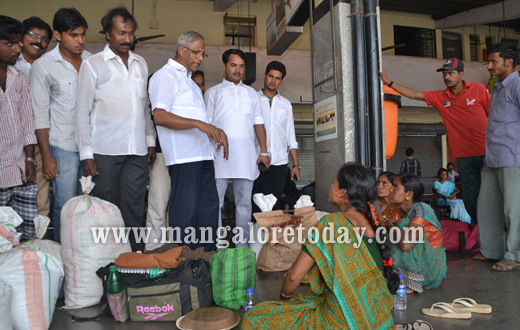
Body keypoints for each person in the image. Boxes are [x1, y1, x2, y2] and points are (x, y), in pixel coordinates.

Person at [243, 163, 396, 329]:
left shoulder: (331, 224)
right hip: (380, 317)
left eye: (334, 183)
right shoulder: (376, 225)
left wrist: (284, 298)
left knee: (257, 316)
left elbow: (293, 277)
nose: (330, 187)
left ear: (343, 192)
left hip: (344, 320)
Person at [75, 7, 155, 252]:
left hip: (137, 151)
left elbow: (143, 107)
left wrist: (150, 139)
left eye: (130, 33)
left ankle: (133, 258)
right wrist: (86, 155)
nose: (127, 39)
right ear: (108, 34)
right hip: (105, 151)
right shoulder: (92, 65)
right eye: (121, 33)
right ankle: (107, 260)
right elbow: (81, 112)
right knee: (106, 207)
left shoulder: (141, 64)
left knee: (133, 206)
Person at [382, 59, 489, 224]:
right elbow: (414, 94)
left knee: (491, 195)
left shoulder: (478, 89)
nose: (447, 76)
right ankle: (480, 234)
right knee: (470, 200)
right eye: (444, 73)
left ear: (461, 74)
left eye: (451, 73)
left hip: (487, 152)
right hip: (464, 156)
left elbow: (493, 115)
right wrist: (389, 82)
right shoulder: (440, 97)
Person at [149, 31, 228, 252]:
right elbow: (160, 116)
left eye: (203, 54)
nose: (200, 58)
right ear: (182, 49)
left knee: (208, 208)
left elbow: (200, 120)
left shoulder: (191, 83)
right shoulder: (165, 76)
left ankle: (206, 259)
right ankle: (182, 260)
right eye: (196, 52)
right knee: (186, 209)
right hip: (183, 156)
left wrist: (215, 134)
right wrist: (200, 124)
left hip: (203, 155)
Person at [30, 8, 90, 243]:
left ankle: (83, 254)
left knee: (86, 205)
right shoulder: (44, 66)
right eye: (73, 35)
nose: (80, 41)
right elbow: (40, 115)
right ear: (57, 34)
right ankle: (63, 255)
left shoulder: (91, 62)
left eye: (83, 35)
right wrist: (46, 156)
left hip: (90, 147)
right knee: (65, 207)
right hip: (62, 146)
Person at [204, 49, 269, 247]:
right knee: (217, 204)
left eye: (241, 66)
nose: (238, 70)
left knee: (244, 205)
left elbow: (259, 124)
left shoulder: (251, 94)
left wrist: (264, 152)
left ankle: (242, 249)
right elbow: (206, 127)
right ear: (224, 66)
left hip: (246, 156)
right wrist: (208, 156)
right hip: (218, 157)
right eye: (233, 65)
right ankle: (216, 248)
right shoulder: (212, 93)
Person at [474, 42, 520, 272]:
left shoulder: (517, 85)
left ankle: (515, 255)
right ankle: (492, 251)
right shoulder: (498, 87)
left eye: (493, 61)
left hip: (513, 157)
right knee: (487, 206)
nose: (489, 66)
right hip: (492, 157)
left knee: (514, 210)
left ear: (508, 62)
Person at [0, 15, 38, 241]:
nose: (18, 48)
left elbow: (27, 123)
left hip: (21, 172)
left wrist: (30, 160)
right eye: (10, 43)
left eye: (18, 42)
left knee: (28, 237)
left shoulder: (18, 77)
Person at [15, 16, 52, 218]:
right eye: (34, 35)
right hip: (10, 139)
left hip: (38, 139)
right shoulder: (10, 63)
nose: (39, 41)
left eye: (44, 38)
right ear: (21, 38)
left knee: (40, 194)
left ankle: (38, 242)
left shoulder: (48, 66)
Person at [251, 61, 300, 214]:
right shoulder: (253, 100)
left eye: (277, 78)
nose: (273, 81)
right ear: (265, 76)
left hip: (279, 163)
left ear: (281, 81)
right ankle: (255, 238)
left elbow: (290, 136)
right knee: (255, 204)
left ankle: (271, 238)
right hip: (255, 161)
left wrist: (296, 165)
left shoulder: (285, 104)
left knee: (275, 206)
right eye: (271, 76)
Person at [386, 174, 447, 293]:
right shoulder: (397, 212)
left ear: (409, 195)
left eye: (396, 187)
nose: (391, 190)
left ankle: (410, 283)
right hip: (418, 263)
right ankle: (399, 278)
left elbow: (406, 244)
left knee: (400, 226)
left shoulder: (422, 209)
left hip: (431, 269)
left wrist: (389, 225)